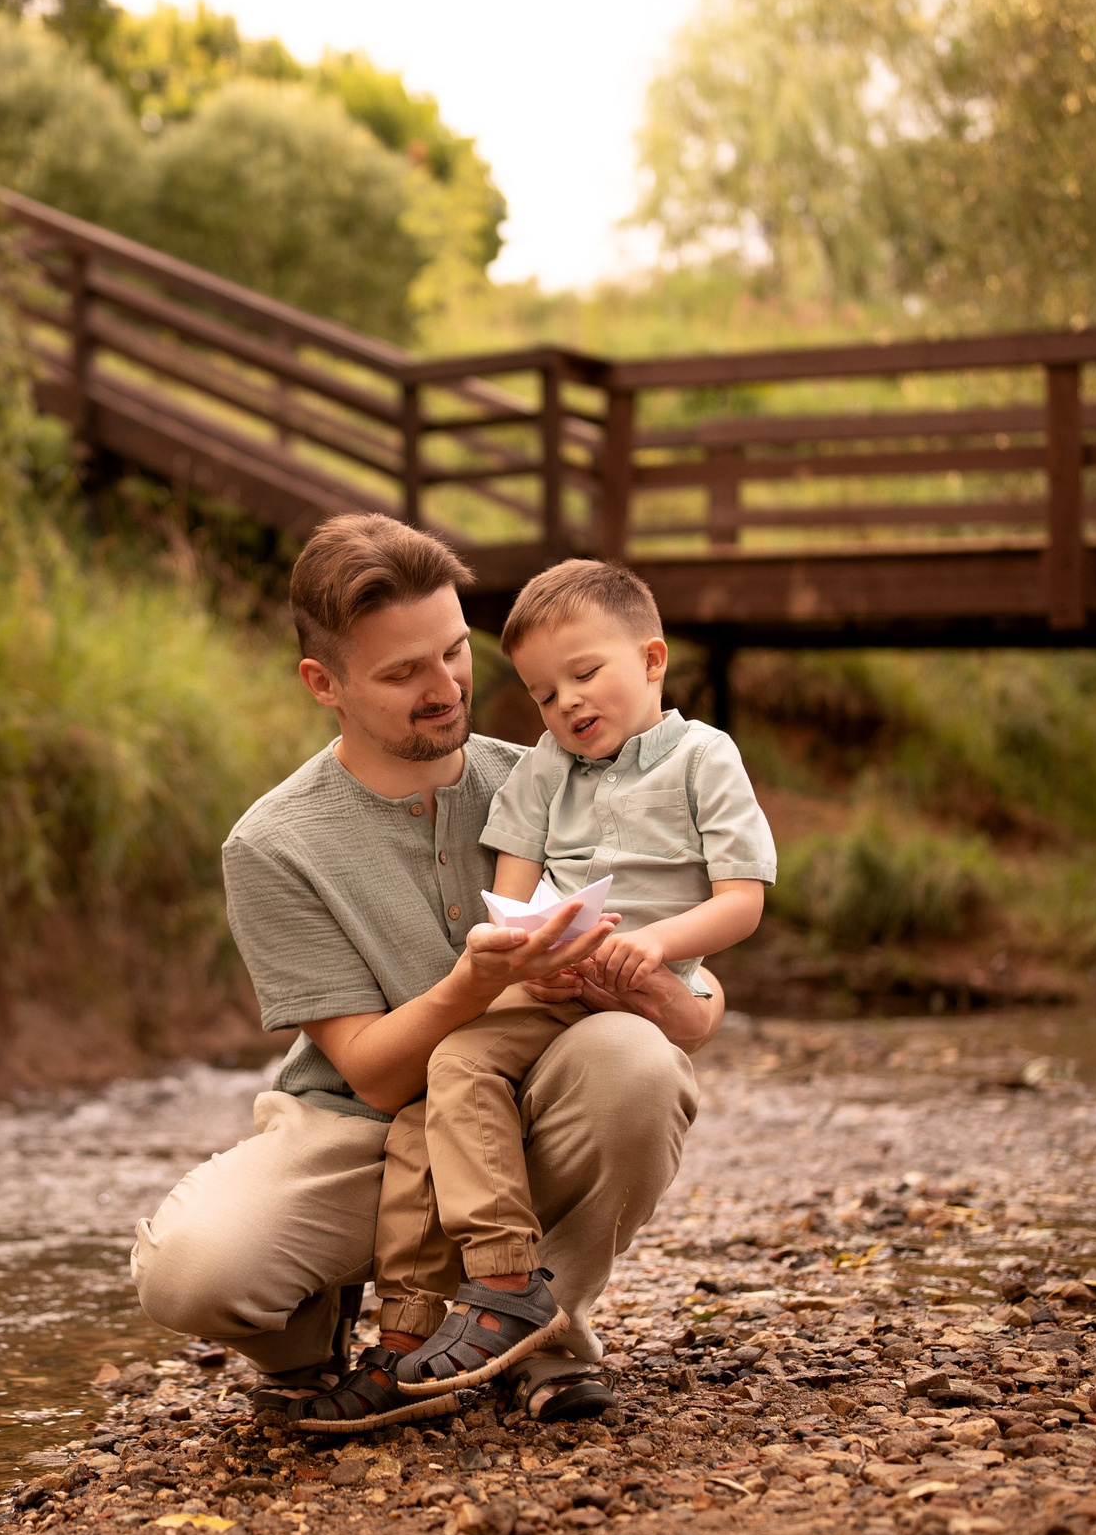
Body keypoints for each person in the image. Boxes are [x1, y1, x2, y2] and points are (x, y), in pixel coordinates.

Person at [130, 514, 725, 1431]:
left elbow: (698, 988)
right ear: (322, 683)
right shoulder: (272, 844)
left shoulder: (558, 778)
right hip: (357, 1133)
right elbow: (372, 1071)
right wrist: (475, 983)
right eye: (403, 671)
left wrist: (668, 1000)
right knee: (190, 1270)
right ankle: (315, 1343)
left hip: (528, 1112)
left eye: (454, 651)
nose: (445, 687)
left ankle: (541, 1333)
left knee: (635, 1068)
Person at [378, 558, 775, 1407]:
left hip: (641, 982)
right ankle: (486, 1288)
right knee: (450, 1070)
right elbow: (511, 892)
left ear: (653, 659)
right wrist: (514, 949)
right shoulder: (545, 770)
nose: (567, 706)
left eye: (586, 675)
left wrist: (657, 946)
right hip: (554, 975)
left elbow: (742, 901)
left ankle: (524, 1310)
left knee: (608, 1072)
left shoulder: (704, 757)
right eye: (544, 695)